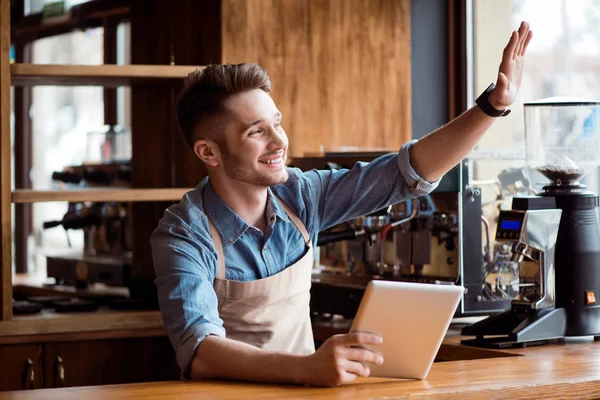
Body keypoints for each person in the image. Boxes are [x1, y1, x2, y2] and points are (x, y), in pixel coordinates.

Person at [150, 21, 532, 387]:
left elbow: (406, 173)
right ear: (208, 152)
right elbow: (200, 352)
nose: (279, 141)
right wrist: (309, 368)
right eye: (257, 131)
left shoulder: (300, 195)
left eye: (277, 123)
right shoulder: (182, 233)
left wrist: (491, 108)